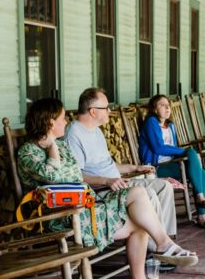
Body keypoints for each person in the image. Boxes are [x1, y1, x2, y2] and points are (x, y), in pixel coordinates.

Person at [17, 97, 199, 279]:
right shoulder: (27, 152)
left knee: (138, 198)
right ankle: (150, 267)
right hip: (63, 217)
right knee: (138, 215)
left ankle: (154, 260)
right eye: (61, 118)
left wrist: (56, 150)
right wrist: (52, 149)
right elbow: (52, 177)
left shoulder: (62, 146)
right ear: (50, 122)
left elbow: (74, 175)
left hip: (86, 207)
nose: (66, 122)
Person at [64, 88, 180, 247]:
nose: (109, 111)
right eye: (105, 108)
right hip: (101, 190)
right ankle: (155, 250)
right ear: (92, 111)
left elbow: (109, 165)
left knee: (164, 186)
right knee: (150, 194)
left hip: (118, 183)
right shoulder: (73, 133)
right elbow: (75, 175)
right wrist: (106, 181)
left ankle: (164, 241)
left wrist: (135, 168)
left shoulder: (96, 131)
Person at [138, 94, 205, 230]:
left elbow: (173, 149)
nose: (167, 107)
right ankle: (201, 213)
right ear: (154, 109)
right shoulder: (151, 122)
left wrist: (186, 153)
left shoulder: (170, 125)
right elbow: (158, 148)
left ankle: (200, 202)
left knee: (200, 169)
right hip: (156, 167)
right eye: (162, 105)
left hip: (172, 163)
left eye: (168, 105)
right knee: (194, 160)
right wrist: (184, 151)